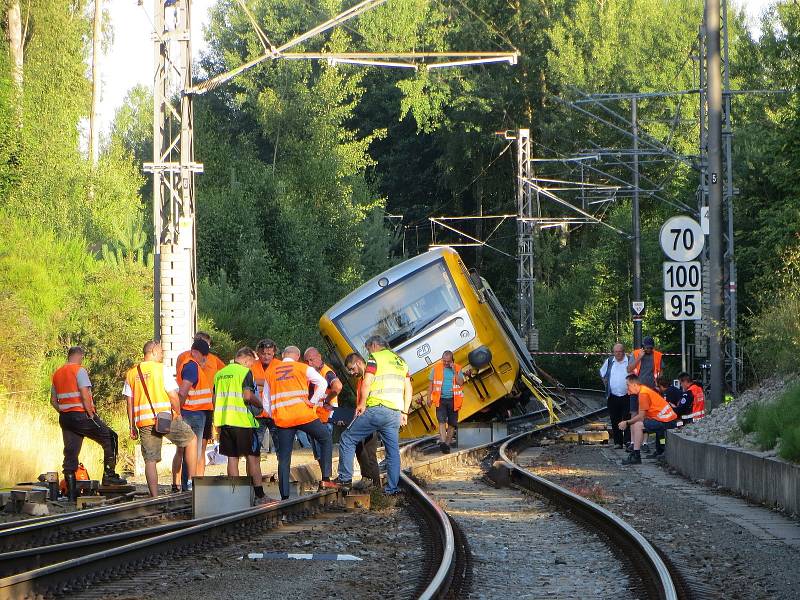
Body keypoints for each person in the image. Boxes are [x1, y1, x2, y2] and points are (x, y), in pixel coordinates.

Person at [334, 335, 411, 495]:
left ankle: (345, 479)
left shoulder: (374, 358)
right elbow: (408, 388)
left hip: (377, 409)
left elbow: (367, 382)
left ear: (375, 345)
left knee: (347, 438)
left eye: (369, 349)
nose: (368, 352)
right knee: (392, 452)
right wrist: (405, 411)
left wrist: (361, 404)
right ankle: (391, 489)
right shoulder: (401, 361)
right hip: (395, 413)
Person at [51, 346, 126, 500]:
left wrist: (65, 410)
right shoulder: (79, 371)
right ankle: (109, 475)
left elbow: (53, 401)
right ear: (79, 356)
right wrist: (90, 413)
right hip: (82, 415)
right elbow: (85, 395)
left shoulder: (57, 373)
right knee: (110, 437)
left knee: (70, 453)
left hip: (65, 418)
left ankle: (71, 496)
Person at [124, 341, 197, 497]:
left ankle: (155, 497)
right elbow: (173, 395)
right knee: (191, 440)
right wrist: (177, 412)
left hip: (144, 422)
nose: (163, 355)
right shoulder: (160, 369)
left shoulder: (131, 373)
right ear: (154, 351)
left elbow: (129, 402)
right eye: (162, 352)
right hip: (165, 418)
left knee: (150, 460)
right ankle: (191, 483)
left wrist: (131, 426)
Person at [263, 345, 333, 500]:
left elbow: (266, 401)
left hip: (283, 420)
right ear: (298, 356)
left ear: (283, 355)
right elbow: (322, 383)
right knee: (325, 438)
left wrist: (274, 415)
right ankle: (326, 479)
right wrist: (313, 402)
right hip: (304, 415)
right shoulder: (302, 367)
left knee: (284, 457)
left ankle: (285, 496)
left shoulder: (270, 372)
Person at [213, 347, 269, 502]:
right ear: (246, 359)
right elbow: (247, 395)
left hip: (225, 422)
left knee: (232, 458)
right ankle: (260, 495)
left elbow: (214, 400)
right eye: (251, 363)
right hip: (242, 422)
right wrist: (261, 404)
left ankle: (235, 496)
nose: (251, 366)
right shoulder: (244, 372)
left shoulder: (219, 374)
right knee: (253, 458)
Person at [175, 332, 225, 480]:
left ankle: (198, 481)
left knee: (200, 448)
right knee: (186, 449)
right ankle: (182, 483)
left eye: (207, 345)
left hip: (205, 408)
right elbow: (183, 383)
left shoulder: (214, 360)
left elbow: (224, 374)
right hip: (191, 408)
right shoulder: (186, 358)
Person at [173, 338, 214, 492]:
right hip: (193, 412)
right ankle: (190, 485)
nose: (205, 360)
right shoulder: (191, 366)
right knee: (193, 451)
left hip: (193, 411)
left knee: (187, 450)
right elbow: (183, 391)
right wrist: (178, 410)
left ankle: (186, 485)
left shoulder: (189, 365)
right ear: (196, 352)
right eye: (203, 357)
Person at [619, 374, 679, 465]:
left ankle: (636, 456)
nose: (627, 389)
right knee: (638, 424)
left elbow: (641, 416)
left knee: (638, 425)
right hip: (667, 420)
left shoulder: (643, 394)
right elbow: (643, 415)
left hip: (668, 422)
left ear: (635, 385)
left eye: (628, 386)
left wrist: (626, 422)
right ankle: (636, 454)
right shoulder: (643, 390)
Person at [342, 352, 381, 490]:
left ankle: (375, 485)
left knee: (369, 451)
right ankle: (368, 478)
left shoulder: (369, 378)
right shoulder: (360, 380)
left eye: (352, 368)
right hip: (364, 416)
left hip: (371, 416)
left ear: (359, 362)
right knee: (359, 446)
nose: (352, 372)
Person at [303, 347, 343, 469]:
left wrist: (326, 400)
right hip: (316, 416)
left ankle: (327, 479)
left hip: (324, 417)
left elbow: (337, 386)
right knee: (319, 453)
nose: (309, 363)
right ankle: (325, 479)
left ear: (319, 357)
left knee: (323, 451)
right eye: (307, 361)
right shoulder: (314, 373)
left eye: (311, 360)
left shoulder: (326, 372)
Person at [427, 350, 469, 453]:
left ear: (452, 360)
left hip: (454, 400)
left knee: (452, 423)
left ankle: (446, 444)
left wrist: (454, 370)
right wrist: (429, 398)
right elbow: (431, 385)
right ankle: (443, 442)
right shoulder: (436, 368)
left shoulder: (457, 368)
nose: (445, 363)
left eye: (448, 361)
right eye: (444, 361)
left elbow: (460, 383)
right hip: (440, 399)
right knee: (441, 421)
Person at [599, 343, 630, 449]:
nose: (617, 354)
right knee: (614, 419)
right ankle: (618, 442)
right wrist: (606, 384)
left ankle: (628, 441)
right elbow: (602, 373)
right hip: (612, 395)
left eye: (619, 351)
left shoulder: (629, 361)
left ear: (623, 351)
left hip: (627, 395)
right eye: (615, 352)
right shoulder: (609, 361)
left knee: (627, 418)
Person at [251, 338, 279, 453]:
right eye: (263, 354)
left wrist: (259, 384)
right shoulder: (252, 365)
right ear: (258, 353)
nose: (266, 356)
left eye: (269, 354)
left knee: (280, 448)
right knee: (253, 449)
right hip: (257, 413)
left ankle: (283, 471)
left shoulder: (280, 366)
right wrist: (269, 383)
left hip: (275, 413)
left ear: (274, 353)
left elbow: (280, 384)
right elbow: (247, 382)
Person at [627, 336, 664, 420]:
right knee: (634, 413)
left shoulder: (657, 355)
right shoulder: (635, 354)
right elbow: (629, 369)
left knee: (649, 413)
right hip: (635, 390)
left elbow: (661, 370)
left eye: (651, 348)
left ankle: (645, 431)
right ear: (643, 346)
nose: (649, 350)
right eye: (647, 348)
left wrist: (658, 383)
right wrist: (639, 357)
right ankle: (634, 432)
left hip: (651, 390)